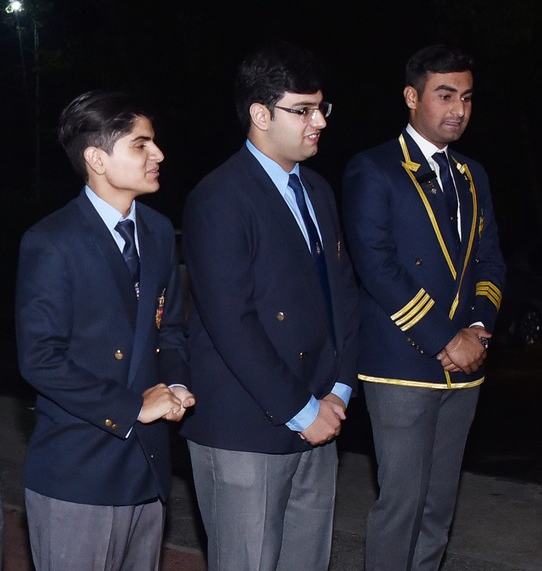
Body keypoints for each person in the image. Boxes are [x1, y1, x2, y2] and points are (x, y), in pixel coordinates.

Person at [179, 41, 359, 571]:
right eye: (302, 110)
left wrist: (339, 390)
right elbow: (231, 322)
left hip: (321, 414)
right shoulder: (219, 198)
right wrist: (302, 410)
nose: (319, 122)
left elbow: (343, 297)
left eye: (321, 107)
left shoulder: (318, 191)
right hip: (248, 424)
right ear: (260, 114)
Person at [342, 44, 506, 571]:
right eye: (445, 95)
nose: (458, 109)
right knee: (402, 506)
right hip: (403, 364)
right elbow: (377, 267)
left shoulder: (473, 174)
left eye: (467, 97)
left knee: (438, 508)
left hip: (466, 366)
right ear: (412, 97)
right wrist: (445, 338)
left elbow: (489, 260)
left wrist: (477, 329)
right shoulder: (374, 169)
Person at [15, 90, 194, 570]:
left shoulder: (158, 231)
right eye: (140, 144)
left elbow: (170, 330)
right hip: (80, 470)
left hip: (148, 468)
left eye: (153, 142)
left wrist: (176, 384)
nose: (158, 154)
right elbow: (40, 359)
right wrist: (133, 407)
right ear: (96, 159)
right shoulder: (52, 241)